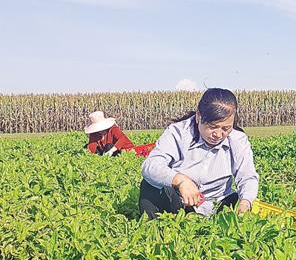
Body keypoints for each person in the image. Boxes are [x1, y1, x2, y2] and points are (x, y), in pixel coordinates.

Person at [139, 88, 258, 218]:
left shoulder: (237, 139)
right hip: (180, 202)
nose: (218, 134)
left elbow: (247, 176)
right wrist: (180, 180)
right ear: (198, 116)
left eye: (225, 128)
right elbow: (151, 166)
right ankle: (157, 231)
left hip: (218, 203)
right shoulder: (178, 132)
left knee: (236, 201)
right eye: (212, 126)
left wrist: (245, 203)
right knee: (149, 186)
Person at [85, 111, 155, 157]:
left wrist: (111, 150)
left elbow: (122, 139)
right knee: (86, 146)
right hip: (106, 151)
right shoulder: (94, 134)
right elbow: (92, 146)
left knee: (108, 146)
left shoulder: (113, 129)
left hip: (124, 150)